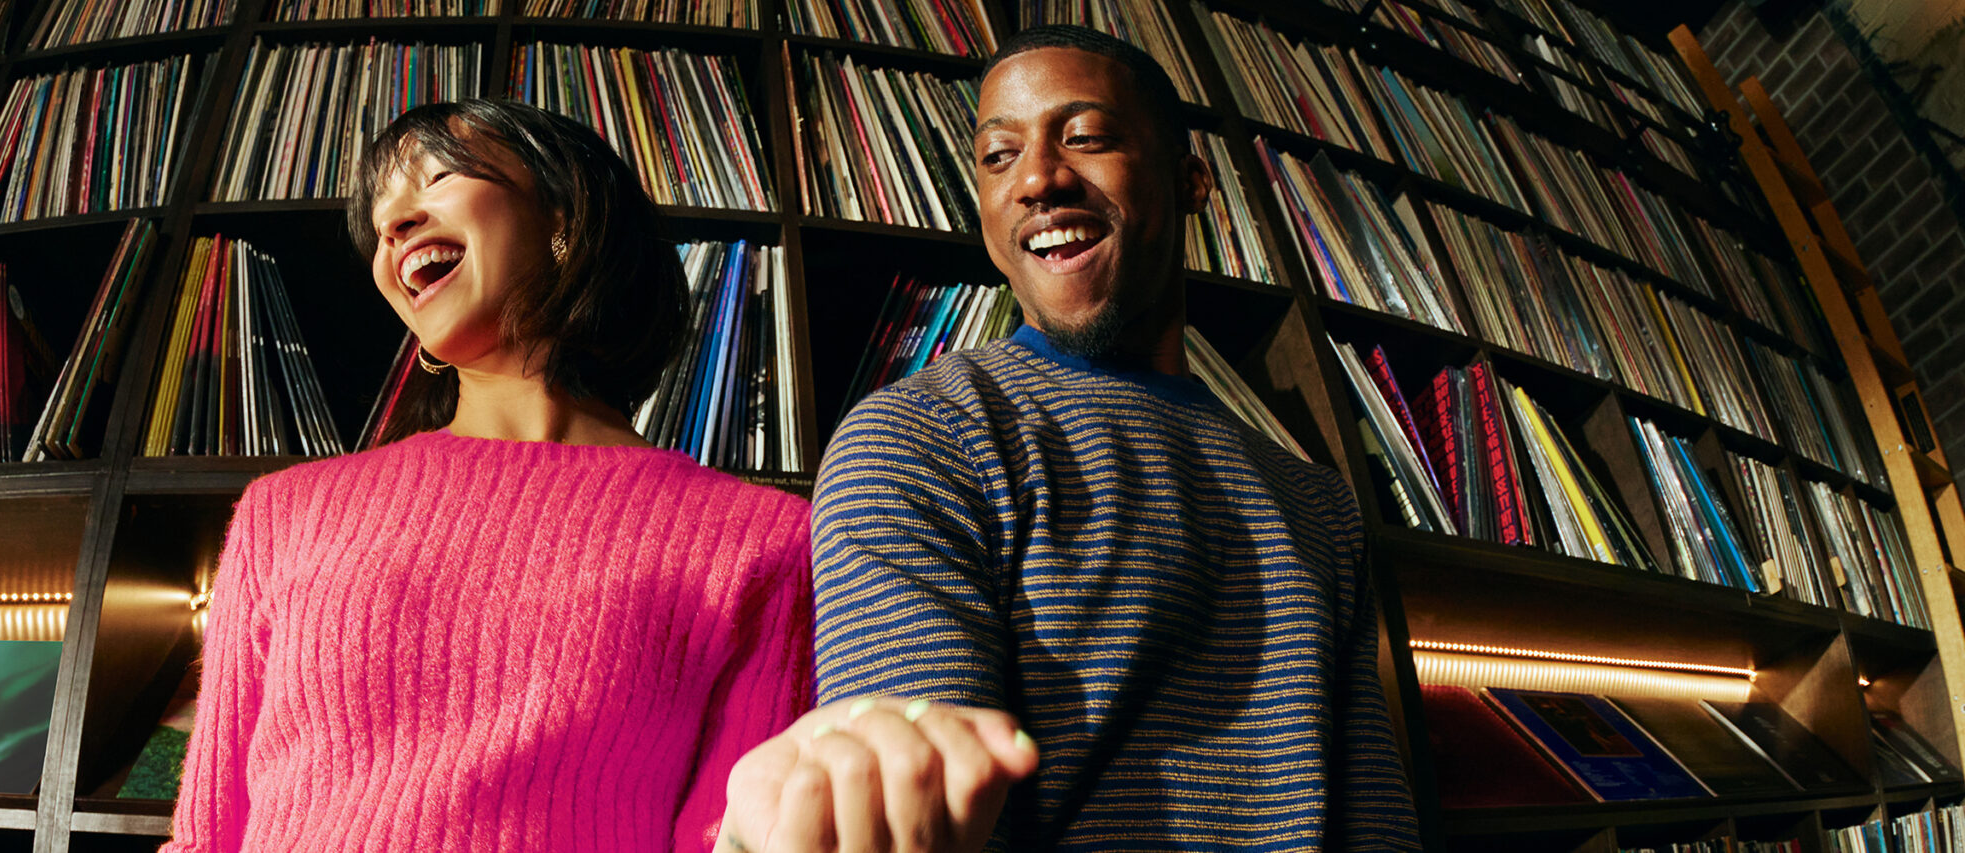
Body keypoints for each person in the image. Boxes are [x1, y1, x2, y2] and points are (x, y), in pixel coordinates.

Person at [716, 25, 1423, 852]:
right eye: (997, 156)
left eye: (1086, 137)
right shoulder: (919, 437)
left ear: (1192, 183)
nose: (1038, 178)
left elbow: (1378, 820)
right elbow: (920, 815)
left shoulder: (1318, 502)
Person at [161, 98, 814, 851]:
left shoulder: (765, 541)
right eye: (380, 224)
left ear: (565, 216)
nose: (394, 227)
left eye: (435, 178)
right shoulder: (283, 512)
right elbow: (206, 833)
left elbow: (730, 837)